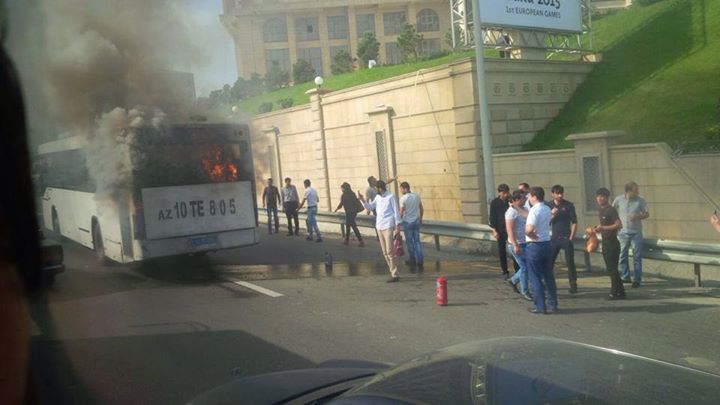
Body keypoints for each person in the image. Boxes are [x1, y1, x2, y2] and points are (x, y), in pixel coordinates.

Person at [359, 180, 402, 282]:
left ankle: (395, 274)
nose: (375, 190)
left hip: (388, 225)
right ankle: (392, 271)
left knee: (390, 251)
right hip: (379, 226)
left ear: (380, 188)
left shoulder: (391, 197)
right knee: (384, 252)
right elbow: (370, 207)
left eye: (376, 188)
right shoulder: (377, 198)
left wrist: (397, 227)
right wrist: (362, 200)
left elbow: (396, 212)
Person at [525, 186, 558, 314]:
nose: (528, 198)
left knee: (535, 277)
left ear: (534, 197)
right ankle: (553, 304)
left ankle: (540, 306)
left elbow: (529, 229)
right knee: (548, 275)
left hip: (535, 246)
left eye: (529, 196)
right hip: (547, 244)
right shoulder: (546, 208)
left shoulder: (534, 210)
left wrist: (532, 236)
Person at [612, 181, 649, 288]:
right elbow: (612, 211)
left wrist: (637, 216)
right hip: (623, 233)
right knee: (622, 255)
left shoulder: (640, 200)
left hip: (636, 233)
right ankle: (625, 276)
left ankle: (637, 279)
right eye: (635, 190)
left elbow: (647, 214)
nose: (637, 192)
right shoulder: (619, 200)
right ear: (628, 191)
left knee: (636, 256)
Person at [594, 188, 625, 300]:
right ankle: (621, 291)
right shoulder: (601, 210)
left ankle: (614, 291)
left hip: (612, 243)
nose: (599, 198)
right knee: (611, 269)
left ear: (607, 198)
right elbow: (604, 226)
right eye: (598, 196)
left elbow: (619, 225)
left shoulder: (610, 210)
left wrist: (603, 227)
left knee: (612, 269)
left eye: (602, 196)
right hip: (605, 242)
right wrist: (598, 228)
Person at [549, 184, 579, 294]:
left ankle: (573, 284)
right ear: (553, 194)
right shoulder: (549, 205)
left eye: (561, 193)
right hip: (554, 238)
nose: (560, 195)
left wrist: (571, 238)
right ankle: (549, 283)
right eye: (557, 193)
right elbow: (545, 221)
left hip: (566, 237)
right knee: (550, 262)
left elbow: (574, 222)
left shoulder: (568, 205)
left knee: (570, 262)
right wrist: (552, 215)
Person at [505, 190, 531, 301]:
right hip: (516, 244)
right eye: (522, 198)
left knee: (528, 266)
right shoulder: (511, 212)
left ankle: (513, 280)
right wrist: (515, 244)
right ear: (515, 200)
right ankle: (524, 291)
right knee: (525, 267)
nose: (525, 200)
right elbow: (509, 230)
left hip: (525, 242)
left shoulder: (524, 209)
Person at [489, 184, 513, 278]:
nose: (505, 195)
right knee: (502, 251)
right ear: (499, 193)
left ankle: (517, 269)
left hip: (509, 228)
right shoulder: (495, 202)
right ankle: (505, 270)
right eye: (503, 193)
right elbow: (492, 217)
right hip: (500, 229)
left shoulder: (509, 201)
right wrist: (494, 230)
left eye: (507, 192)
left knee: (513, 249)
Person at [399, 182, 424, 270]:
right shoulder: (416, 196)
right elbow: (421, 208)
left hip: (407, 222)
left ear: (405, 188)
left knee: (410, 242)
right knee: (417, 241)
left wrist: (397, 222)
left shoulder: (403, 199)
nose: (400, 190)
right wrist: (420, 218)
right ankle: (420, 260)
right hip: (416, 221)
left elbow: (401, 213)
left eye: (401, 188)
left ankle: (412, 259)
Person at [334, 182, 364, 247]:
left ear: (345, 188)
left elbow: (341, 203)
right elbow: (354, 202)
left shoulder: (344, 195)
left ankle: (360, 241)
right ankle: (347, 240)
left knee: (352, 226)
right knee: (348, 226)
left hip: (349, 213)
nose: (341, 190)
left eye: (342, 188)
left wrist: (337, 208)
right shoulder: (352, 194)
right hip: (353, 212)